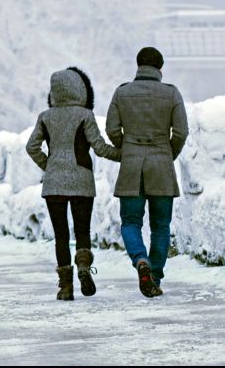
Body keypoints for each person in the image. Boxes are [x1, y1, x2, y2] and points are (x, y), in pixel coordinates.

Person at [27, 67, 122, 301]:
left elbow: (31, 147)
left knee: (60, 235)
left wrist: (49, 166)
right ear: (81, 89)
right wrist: (122, 154)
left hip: (54, 184)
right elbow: (99, 147)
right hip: (82, 181)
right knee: (82, 231)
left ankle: (65, 287)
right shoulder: (85, 115)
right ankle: (83, 265)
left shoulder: (45, 116)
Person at [106, 47, 188, 298]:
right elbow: (181, 132)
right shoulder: (171, 93)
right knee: (161, 226)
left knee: (130, 222)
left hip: (132, 165)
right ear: (160, 68)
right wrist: (167, 153)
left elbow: (111, 129)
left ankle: (140, 259)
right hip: (162, 164)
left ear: (138, 65)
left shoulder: (122, 92)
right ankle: (155, 275)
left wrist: (127, 148)